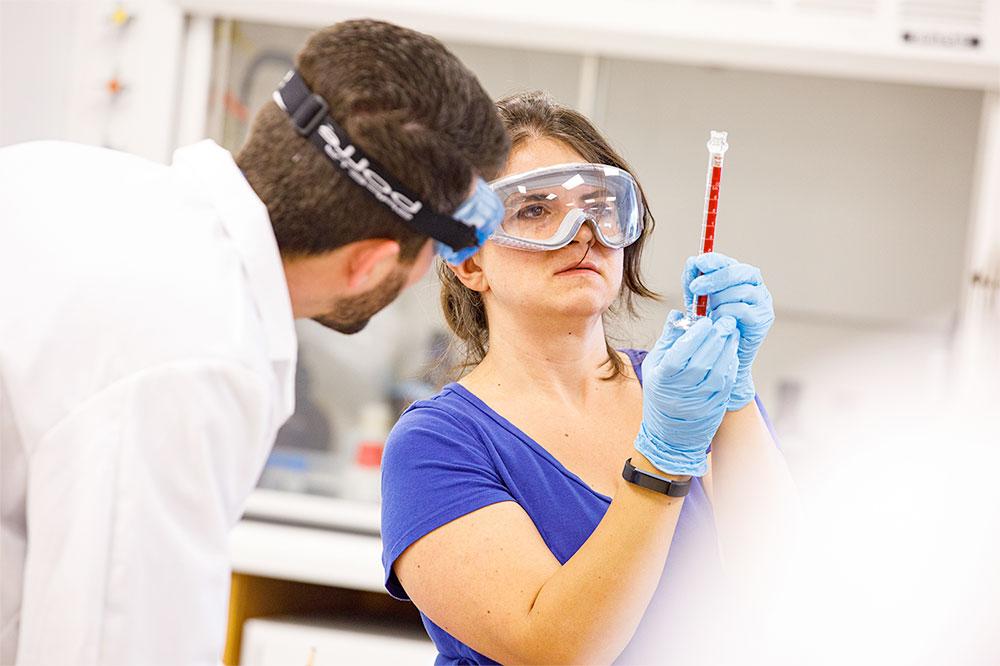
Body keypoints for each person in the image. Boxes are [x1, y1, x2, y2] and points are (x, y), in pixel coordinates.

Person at [0, 19, 509, 666]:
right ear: (370, 264)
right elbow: (116, 647)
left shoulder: (62, 172)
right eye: (429, 255)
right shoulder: (196, 354)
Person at [380, 91, 798, 664]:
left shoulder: (684, 389)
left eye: (600, 205)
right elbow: (553, 649)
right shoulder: (437, 444)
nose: (583, 231)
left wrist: (736, 395)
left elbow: (787, 593)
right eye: (534, 210)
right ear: (471, 260)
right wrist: (663, 458)